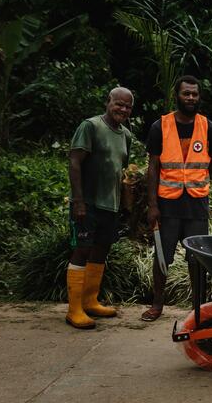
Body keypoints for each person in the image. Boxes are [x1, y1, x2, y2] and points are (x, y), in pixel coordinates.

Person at [141, 75, 212, 322]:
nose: (190, 98)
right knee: (162, 255)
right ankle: (157, 305)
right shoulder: (160, 126)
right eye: (186, 93)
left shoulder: (208, 127)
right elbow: (153, 167)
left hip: (196, 205)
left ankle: (198, 308)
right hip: (167, 204)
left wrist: (200, 179)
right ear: (177, 95)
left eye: (195, 94)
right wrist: (152, 204)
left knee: (196, 259)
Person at [66, 87, 134, 329]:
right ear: (108, 102)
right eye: (119, 104)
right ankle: (74, 310)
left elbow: (120, 170)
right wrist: (78, 201)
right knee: (82, 250)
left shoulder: (126, 135)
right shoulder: (91, 126)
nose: (123, 109)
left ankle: (90, 301)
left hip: (110, 204)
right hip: (88, 202)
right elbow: (74, 162)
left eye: (127, 107)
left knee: (101, 250)